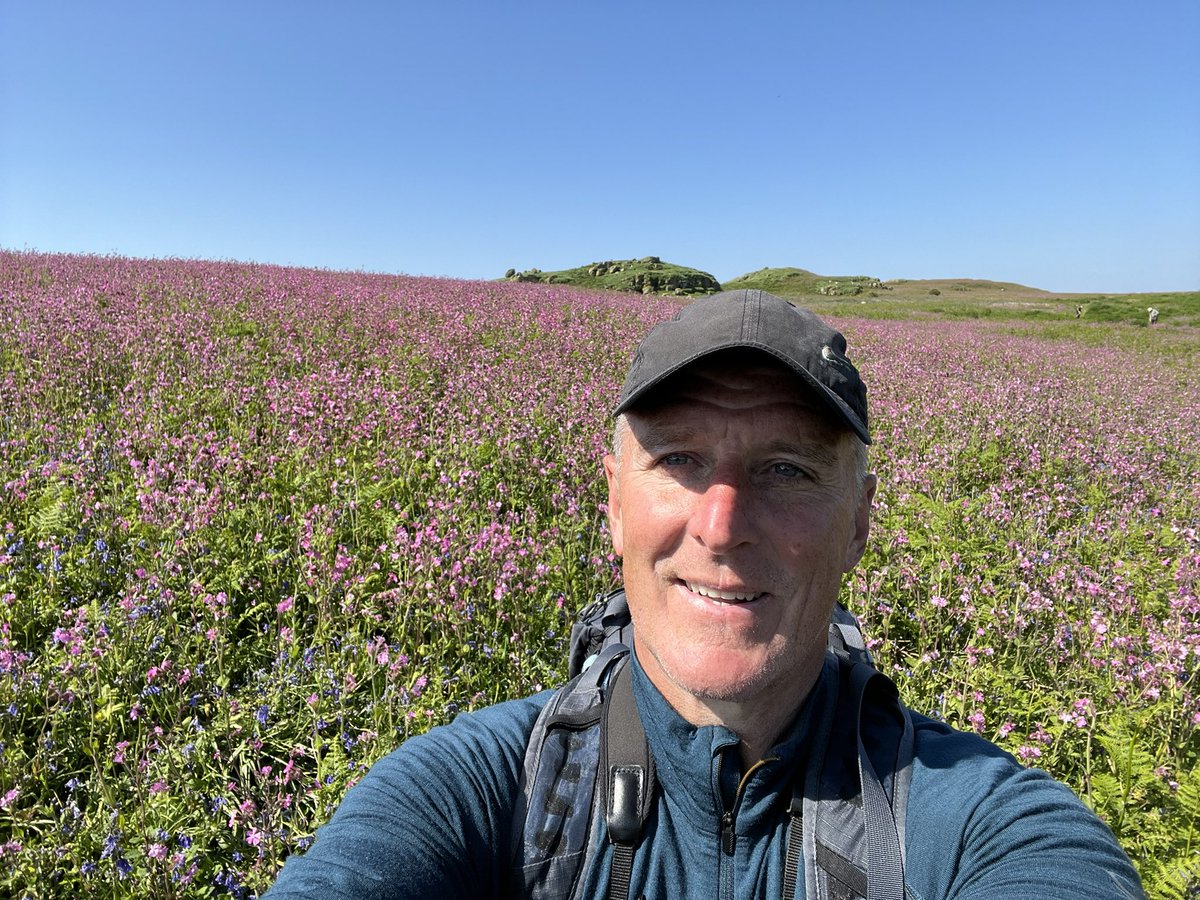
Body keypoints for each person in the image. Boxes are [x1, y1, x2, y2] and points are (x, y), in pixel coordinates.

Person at [266, 290, 1144, 899]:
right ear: (613, 503)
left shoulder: (977, 822)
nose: (722, 527)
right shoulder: (480, 790)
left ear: (860, 522)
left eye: (787, 469)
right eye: (679, 459)